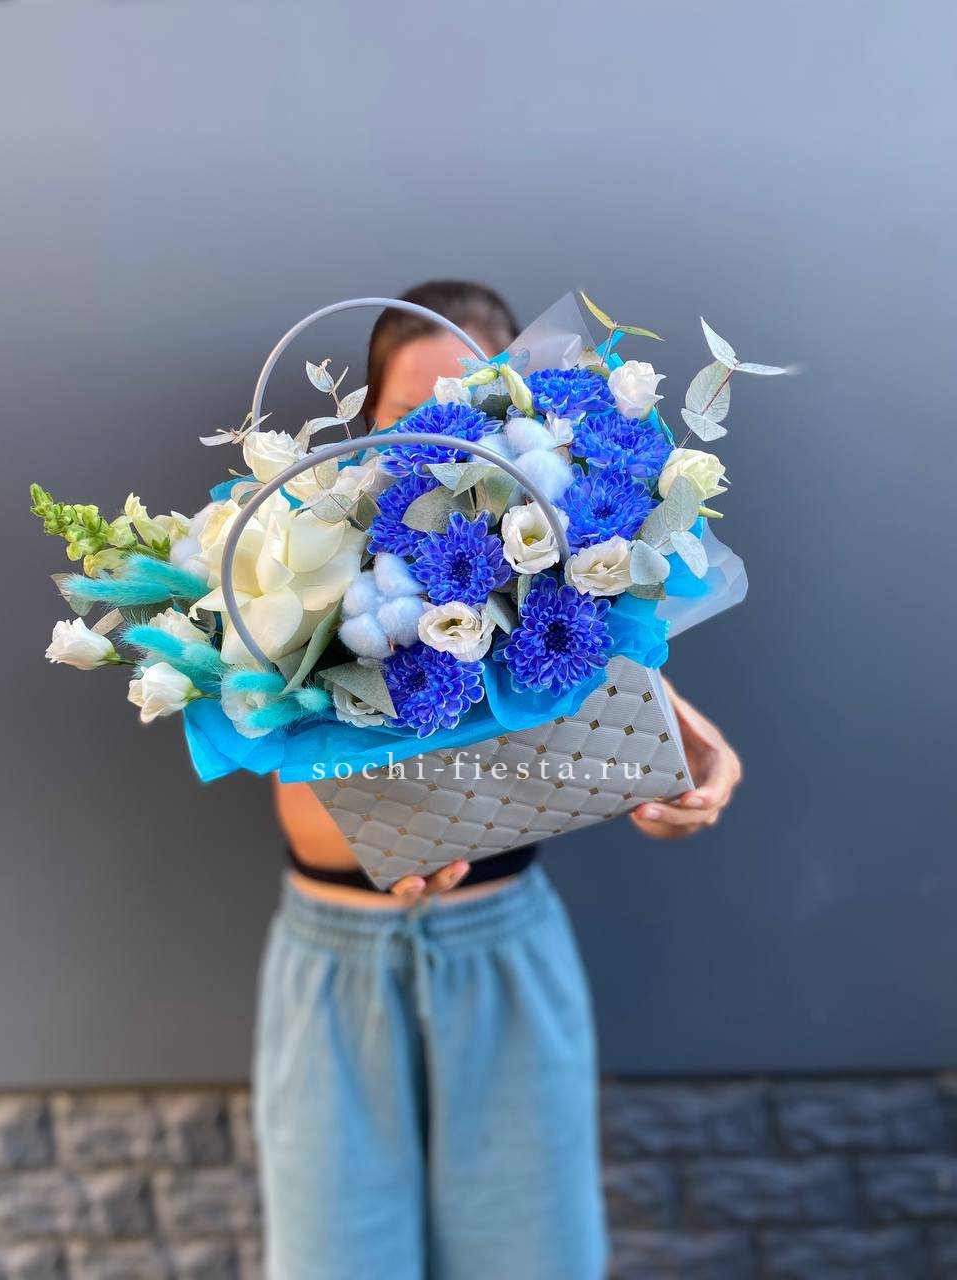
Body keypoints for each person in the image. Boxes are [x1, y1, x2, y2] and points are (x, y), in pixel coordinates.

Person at [255, 280, 742, 1279]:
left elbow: (654, 722)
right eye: (411, 415)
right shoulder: (300, 557)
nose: (442, 444)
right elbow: (292, 772)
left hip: (501, 952)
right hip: (337, 968)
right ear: (365, 417)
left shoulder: (550, 565)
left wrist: (694, 774)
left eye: (469, 410)